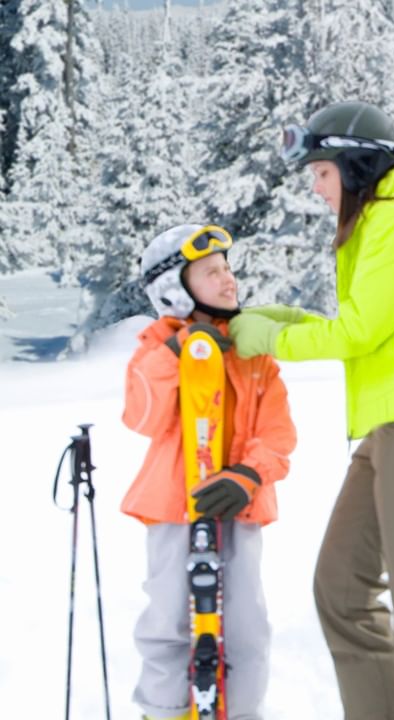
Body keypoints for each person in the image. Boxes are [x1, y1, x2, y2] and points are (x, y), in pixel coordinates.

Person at [227, 101, 394, 719]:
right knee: (342, 590)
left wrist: (271, 338)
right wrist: (287, 320)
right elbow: (371, 329)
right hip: (391, 430)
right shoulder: (376, 226)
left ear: (355, 167)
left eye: (322, 173)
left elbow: (358, 333)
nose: (317, 188)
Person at [122, 224, 297, 720]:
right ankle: (162, 710)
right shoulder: (156, 347)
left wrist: (248, 474)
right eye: (211, 272)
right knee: (167, 619)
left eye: (227, 269)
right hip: (172, 506)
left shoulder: (252, 351)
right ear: (174, 289)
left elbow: (279, 434)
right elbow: (141, 417)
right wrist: (171, 359)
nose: (228, 280)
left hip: (237, 508)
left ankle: (241, 713)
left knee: (246, 628)